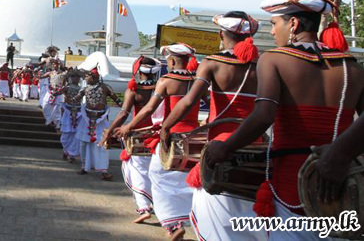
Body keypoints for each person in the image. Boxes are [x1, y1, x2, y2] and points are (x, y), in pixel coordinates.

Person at [204, 0, 363, 241]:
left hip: (293, 190)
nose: (271, 32)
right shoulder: (351, 66)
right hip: (344, 190)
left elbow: (264, 116)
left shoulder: (275, 59)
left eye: (274, 23)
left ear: (293, 24)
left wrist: (226, 147)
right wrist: (340, 153)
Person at [161, 13, 265, 240]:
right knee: (247, 210)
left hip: (220, 147)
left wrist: (166, 128)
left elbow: (189, 102)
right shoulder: (265, 65)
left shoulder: (213, 63)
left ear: (222, 34)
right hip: (255, 145)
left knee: (211, 209)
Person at [114, 43, 198, 241]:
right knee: (187, 180)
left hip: (171, 137)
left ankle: (172, 223)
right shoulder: (197, 82)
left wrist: (128, 127)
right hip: (194, 136)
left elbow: (149, 109)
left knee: (157, 176)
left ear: (170, 60)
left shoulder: (167, 80)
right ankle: (189, 218)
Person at [101, 56, 161, 224]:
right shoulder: (163, 88)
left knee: (136, 169)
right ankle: (159, 205)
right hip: (160, 135)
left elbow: (123, 113)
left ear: (137, 71)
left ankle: (144, 207)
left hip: (139, 136)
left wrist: (110, 131)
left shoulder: (134, 90)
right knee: (155, 171)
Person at [72, 68, 122, 180]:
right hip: (87, 120)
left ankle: (103, 170)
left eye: (87, 76)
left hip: (101, 120)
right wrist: (72, 101)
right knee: (83, 144)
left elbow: (117, 99)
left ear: (93, 76)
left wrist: (124, 106)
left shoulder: (105, 88)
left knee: (101, 145)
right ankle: (84, 167)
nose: (85, 78)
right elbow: (76, 98)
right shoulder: (85, 89)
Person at [58, 70, 83, 163]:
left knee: (75, 135)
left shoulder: (81, 89)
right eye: (74, 77)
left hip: (78, 113)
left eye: (77, 77)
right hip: (68, 112)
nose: (76, 78)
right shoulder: (67, 87)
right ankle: (66, 151)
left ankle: (71, 154)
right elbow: (58, 92)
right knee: (66, 135)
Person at [42, 61, 66, 129]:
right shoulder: (50, 73)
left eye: (55, 64)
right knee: (45, 105)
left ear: (58, 65)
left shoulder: (63, 74)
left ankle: (57, 125)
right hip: (50, 92)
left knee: (57, 109)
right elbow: (42, 76)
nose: (53, 65)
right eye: (52, 64)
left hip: (59, 93)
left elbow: (64, 84)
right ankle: (49, 120)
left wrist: (62, 90)